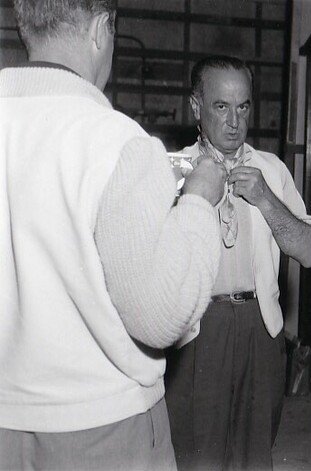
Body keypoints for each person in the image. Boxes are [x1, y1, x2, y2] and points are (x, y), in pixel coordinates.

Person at [0, 1, 226, 470]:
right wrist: (199, 202)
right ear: (101, 30)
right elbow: (162, 315)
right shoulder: (114, 139)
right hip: (100, 427)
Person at [164, 55, 311, 470]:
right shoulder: (172, 172)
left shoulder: (271, 170)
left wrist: (266, 199)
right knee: (196, 458)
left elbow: (309, 251)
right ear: (196, 107)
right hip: (196, 330)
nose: (234, 122)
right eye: (221, 106)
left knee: (255, 458)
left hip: (260, 328)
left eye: (243, 106)